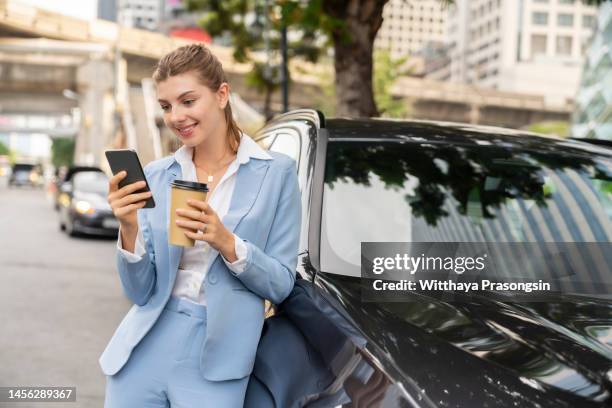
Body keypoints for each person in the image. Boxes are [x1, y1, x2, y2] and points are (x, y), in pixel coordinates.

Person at [99, 43, 301, 407]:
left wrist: (227, 242)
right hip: (145, 348)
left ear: (222, 94)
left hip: (218, 362)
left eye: (188, 101)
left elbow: (282, 284)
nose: (176, 116)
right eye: (165, 106)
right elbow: (140, 292)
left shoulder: (276, 173)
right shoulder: (158, 176)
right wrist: (128, 228)